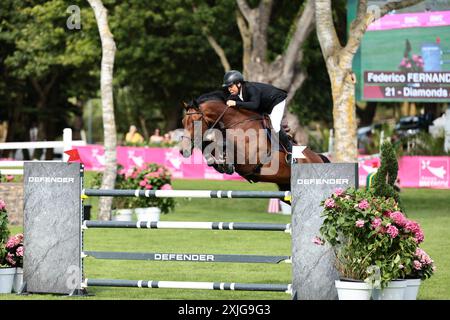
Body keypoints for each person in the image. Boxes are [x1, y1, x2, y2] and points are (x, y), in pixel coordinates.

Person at [221, 70, 293, 156]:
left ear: (239, 84)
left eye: (231, 86)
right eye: (228, 87)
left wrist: (235, 103)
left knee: (275, 125)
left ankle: (290, 151)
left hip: (276, 101)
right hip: (265, 105)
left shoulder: (251, 88)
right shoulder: (236, 93)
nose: (229, 89)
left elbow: (254, 105)